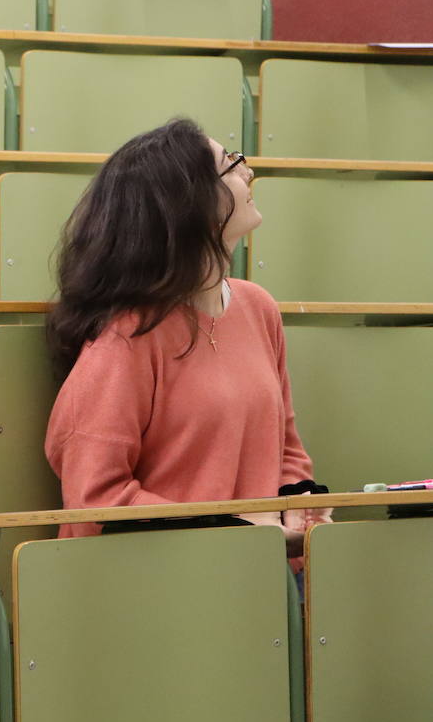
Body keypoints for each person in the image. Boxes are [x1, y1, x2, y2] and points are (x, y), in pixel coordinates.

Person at [44, 118, 329, 554]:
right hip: (161, 579)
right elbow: (94, 500)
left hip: (258, 573)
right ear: (187, 202)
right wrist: (231, 529)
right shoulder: (127, 336)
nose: (248, 172)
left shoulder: (259, 308)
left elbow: (287, 447)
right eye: (230, 164)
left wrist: (300, 504)